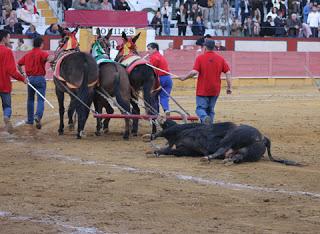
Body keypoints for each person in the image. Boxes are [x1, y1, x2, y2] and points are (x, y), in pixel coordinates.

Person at [179, 39, 232, 124]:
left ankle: (204, 118)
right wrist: (229, 87)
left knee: (200, 109)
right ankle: (209, 129)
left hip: (203, 89)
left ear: (205, 47)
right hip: (215, 89)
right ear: (213, 47)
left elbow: (194, 72)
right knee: (210, 109)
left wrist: (184, 78)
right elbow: (228, 73)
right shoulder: (220, 59)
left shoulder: (200, 58)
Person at [17, 37, 53, 129]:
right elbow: (50, 59)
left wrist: (23, 74)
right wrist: (52, 57)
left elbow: (18, 64)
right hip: (40, 78)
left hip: (30, 79)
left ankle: (30, 120)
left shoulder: (28, 54)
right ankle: (38, 116)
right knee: (40, 99)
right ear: (41, 44)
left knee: (30, 99)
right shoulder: (42, 53)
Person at [0, 30, 27, 133]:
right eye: (8, 37)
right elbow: (12, 71)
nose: (9, 39)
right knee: (7, 106)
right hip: (4, 84)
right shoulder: (8, 52)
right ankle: (6, 117)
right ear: (4, 38)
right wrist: (23, 79)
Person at [147, 42, 172, 115]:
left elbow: (151, 69)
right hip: (168, 79)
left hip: (160, 79)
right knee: (164, 97)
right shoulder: (160, 56)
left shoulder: (154, 57)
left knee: (153, 97)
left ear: (155, 49)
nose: (148, 51)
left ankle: (156, 114)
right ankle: (166, 110)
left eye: (149, 49)